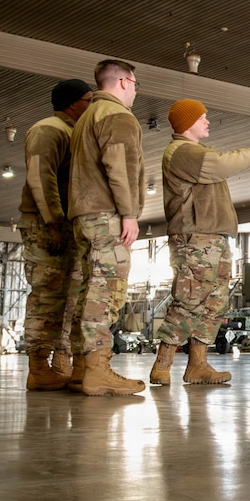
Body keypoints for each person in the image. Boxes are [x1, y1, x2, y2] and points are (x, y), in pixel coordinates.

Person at [148, 99, 250, 386]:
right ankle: (163, 363)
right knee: (189, 299)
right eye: (202, 117)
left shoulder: (198, 152)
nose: (207, 121)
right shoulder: (182, 152)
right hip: (195, 237)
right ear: (187, 123)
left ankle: (198, 365)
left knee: (214, 303)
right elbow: (220, 166)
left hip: (213, 238)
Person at [68, 59, 147, 397]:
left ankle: (84, 368)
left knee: (90, 288)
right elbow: (119, 166)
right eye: (136, 86)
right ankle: (97, 370)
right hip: (106, 214)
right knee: (106, 291)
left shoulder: (87, 116)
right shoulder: (117, 115)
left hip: (86, 214)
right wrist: (129, 213)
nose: (135, 93)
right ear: (126, 82)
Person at [18, 79, 94, 390]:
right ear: (73, 103)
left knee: (69, 296)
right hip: (47, 224)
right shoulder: (48, 129)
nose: (92, 106)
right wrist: (53, 221)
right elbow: (40, 177)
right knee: (47, 295)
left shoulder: (73, 133)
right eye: (88, 100)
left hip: (65, 224)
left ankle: (59, 361)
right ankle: (38, 367)